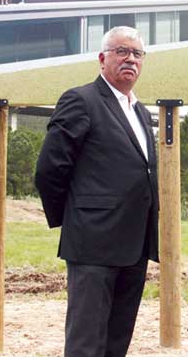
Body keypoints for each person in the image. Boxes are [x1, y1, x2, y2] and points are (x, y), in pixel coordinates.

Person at [35, 26, 158, 357]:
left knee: (117, 341)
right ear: (102, 59)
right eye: (122, 51)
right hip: (93, 244)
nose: (130, 59)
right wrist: (77, 218)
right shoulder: (81, 100)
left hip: (135, 245)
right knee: (86, 343)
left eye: (137, 54)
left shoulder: (140, 111)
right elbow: (49, 169)